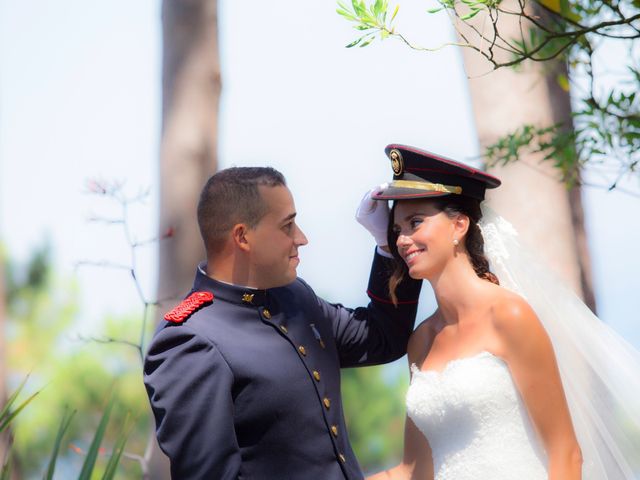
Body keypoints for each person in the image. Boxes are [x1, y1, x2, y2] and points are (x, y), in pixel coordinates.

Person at [357, 144, 640, 480]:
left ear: (459, 225)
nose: (402, 240)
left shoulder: (508, 316)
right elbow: (413, 471)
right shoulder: (421, 342)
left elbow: (566, 454)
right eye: (397, 229)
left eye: (415, 223)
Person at [143, 166, 423, 479]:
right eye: (287, 226)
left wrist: (387, 246)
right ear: (242, 237)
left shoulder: (294, 296)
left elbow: (382, 338)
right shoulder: (190, 340)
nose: (301, 238)